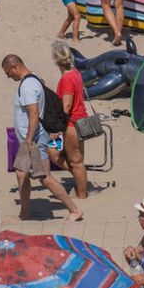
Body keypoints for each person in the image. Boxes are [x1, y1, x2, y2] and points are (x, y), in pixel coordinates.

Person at [1, 54, 83, 222]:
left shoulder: (28, 86)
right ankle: (24, 214)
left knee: (45, 178)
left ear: (15, 67)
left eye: (8, 73)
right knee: (20, 173)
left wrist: (29, 141)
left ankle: (74, 210)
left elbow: (34, 114)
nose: (9, 77)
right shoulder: (33, 79)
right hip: (29, 140)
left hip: (33, 141)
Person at [47, 41, 91, 199]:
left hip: (72, 122)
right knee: (76, 159)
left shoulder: (66, 79)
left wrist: (56, 126)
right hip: (82, 119)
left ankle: (82, 194)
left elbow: (66, 107)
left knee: (71, 159)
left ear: (56, 60)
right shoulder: (76, 72)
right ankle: (82, 185)